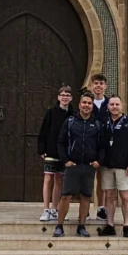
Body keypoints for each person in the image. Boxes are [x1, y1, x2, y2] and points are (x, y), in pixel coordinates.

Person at [54, 90, 103, 238]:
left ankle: (81, 226)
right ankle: (59, 226)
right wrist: (65, 160)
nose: (87, 105)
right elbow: (61, 142)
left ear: (92, 106)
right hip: (72, 166)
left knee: (86, 197)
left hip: (88, 166)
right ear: (79, 104)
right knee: (66, 196)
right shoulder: (70, 122)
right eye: (84, 103)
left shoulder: (97, 124)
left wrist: (98, 161)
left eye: (89, 103)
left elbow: (102, 146)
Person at [96, 95, 128, 238]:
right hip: (107, 166)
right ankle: (110, 225)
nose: (114, 107)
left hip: (123, 166)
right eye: (112, 104)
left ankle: (126, 225)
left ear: (122, 106)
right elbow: (100, 143)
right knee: (109, 196)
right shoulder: (104, 122)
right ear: (108, 107)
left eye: (117, 104)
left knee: (125, 196)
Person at [36, 85, 74, 221]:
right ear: (58, 97)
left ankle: (54, 209)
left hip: (65, 153)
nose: (65, 98)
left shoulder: (73, 114)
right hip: (51, 150)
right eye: (63, 95)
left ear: (71, 98)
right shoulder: (51, 112)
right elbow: (44, 131)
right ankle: (46, 209)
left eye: (67, 95)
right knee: (48, 178)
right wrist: (42, 149)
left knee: (59, 179)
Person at [88, 74, 110, 221]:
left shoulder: (110, 104)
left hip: (105, 147)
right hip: (89, 146)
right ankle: (85, 209)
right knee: (87, 178)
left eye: (101, 83)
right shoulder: (87, 102)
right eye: (96, 83)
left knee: (103, 179)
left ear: (105, 86)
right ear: (91, 86)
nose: (98, 86)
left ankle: (102, 208)